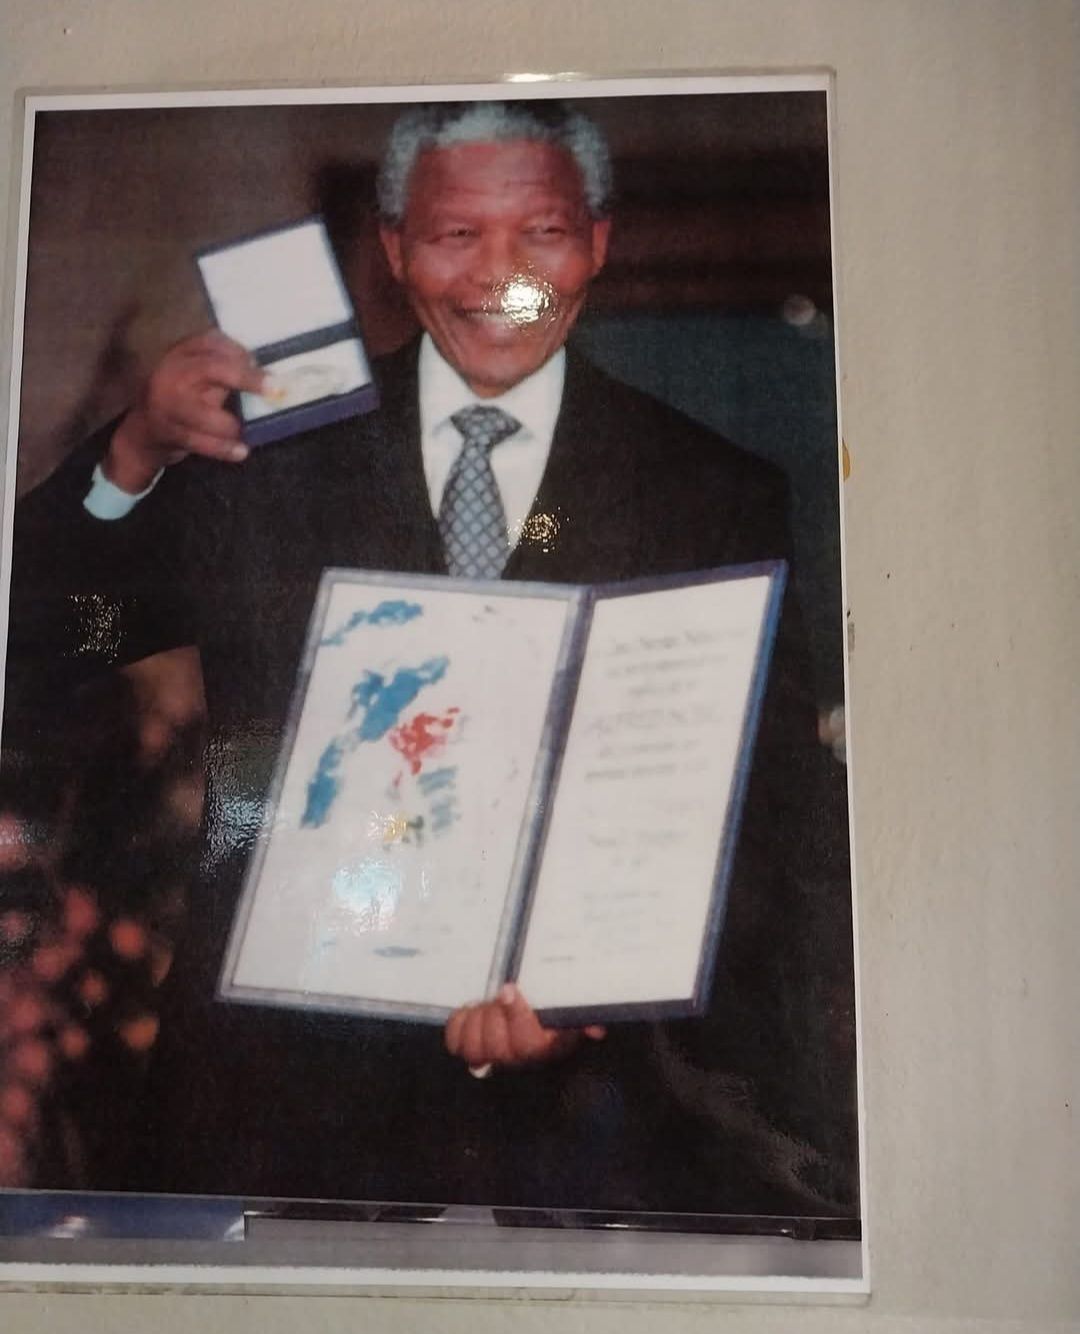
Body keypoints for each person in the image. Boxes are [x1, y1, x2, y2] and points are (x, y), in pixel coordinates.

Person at [4, 101, 856, 1217]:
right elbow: (56, 636)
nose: (498, 274)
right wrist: (131, 453)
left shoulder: (714, 491)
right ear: (395, 250)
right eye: (457, 236)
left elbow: (769, 815)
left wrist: (597, 993)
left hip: (593, 1130)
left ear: (599, 240)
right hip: (276, 1109)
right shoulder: (265, 463)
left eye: (540, 232)